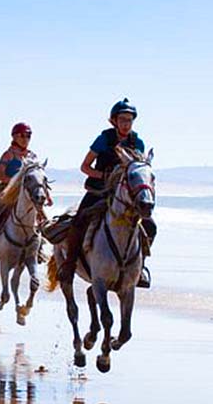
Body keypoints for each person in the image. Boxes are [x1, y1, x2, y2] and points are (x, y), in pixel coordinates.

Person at [58, 98, 156, 287]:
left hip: (126, 195)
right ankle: (69, 264)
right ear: (114, 121)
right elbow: (85, 166)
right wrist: (104, 175)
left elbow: (138, 170)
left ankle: (139, 268)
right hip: (100, 190)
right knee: (79, 220)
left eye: (129, 120)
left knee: (150, 226)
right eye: (122, 120)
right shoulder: (104, 139)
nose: (126, 124)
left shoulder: (138, 143)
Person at [0, 122, 52, 260]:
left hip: (28, 191)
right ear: (14, 137)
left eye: (28, 136)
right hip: (8, 191)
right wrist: (16, 183)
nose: (25, 138)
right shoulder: (8, 155)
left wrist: (47, 195)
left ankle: (39, 247)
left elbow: (38, 177)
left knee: (43, 217)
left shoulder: (32, 156)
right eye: (22, 135)